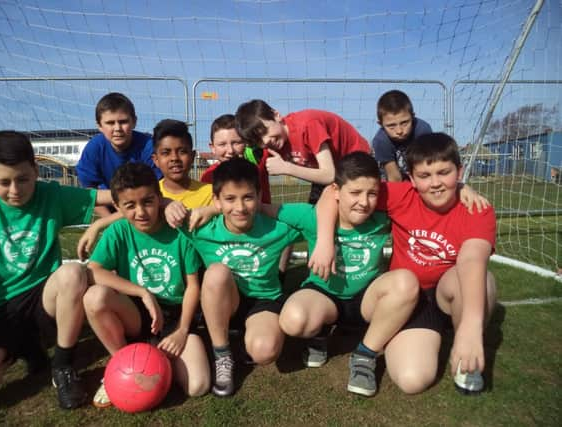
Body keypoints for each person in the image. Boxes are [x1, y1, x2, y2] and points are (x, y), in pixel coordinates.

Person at [312, 133, 496, 395]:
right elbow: (334, 193)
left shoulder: (477, 208)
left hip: (447, 292)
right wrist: (324, 242)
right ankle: (398, 341)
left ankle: (465, 348)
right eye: (424, 176)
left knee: (483, 281)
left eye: (444, 172)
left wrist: (471, 327)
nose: (435, 184)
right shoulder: (400, 195)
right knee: (412, 380)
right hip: (409, 298)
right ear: (411, 178)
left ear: (459, 171)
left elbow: (472, 259)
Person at [0, 131, 114, 418]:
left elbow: (123, 196)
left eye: (23, 179)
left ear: (36, 171)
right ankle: (27, 352)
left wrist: (168, 200)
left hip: (45, 303)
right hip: (2, 312)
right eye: (4, 182)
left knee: (71, 273)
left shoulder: (52, 194)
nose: (15, 189)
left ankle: (63, 365)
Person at [274, 151, 418, 397]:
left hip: (366, 300)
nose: (364, 202)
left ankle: (365, 355)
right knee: (293, 319)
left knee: (405, 282)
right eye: (355, 193)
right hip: (324, 295)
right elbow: (258, 208)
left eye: (371, 194)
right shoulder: (312, 216)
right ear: (336, 192)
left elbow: (426, 200)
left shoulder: (384, 218)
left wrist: (461, 188)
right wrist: (212, 210)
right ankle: (318, 334)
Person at [83, 162, 210, 407]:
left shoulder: (180, 232)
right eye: (130, 206)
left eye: (147, 202)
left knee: (198, 385)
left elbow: (193, 286)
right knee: (94, 297)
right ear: (118, 207)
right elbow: (94, 271)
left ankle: (153, 358)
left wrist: (182, 331)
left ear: (160, 198)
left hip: (174, 317)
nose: (140, 212)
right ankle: (121, 365)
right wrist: (142, 292)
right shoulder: (118, 231)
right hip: (137, 313)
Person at [179, 157, 301, 397]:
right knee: (216, 272)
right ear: (216, 200)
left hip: (263, 301)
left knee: (265, 351)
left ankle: (246, 339)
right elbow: (148, 213)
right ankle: (222, 353)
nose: (240, 207)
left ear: (259, 195)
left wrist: (269, 209)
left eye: (248, 197)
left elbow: (315, 218)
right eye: (230, 199)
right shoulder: (199, 228)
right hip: (225, 300)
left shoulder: (278, 227)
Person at [77, 119, 212, 260]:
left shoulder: (210, 193)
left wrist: (213, 209)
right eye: (166, 153)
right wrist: (98, 225)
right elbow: (129, 213)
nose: (174, 158)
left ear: (192, 156)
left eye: (182, 151)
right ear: (155, 160)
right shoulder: (147, 191)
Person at [235, 99, 371, 204]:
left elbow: (329, 175)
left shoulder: (307, 125)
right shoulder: (273, 144)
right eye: (258, 141)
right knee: (316, 215)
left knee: (350, 212)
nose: (265, 142)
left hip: (357, 161)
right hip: (326, 169)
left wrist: (286, 168)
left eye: (264, 131)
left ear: (277, 115)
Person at [76, 92, 162, 217]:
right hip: (110, 207)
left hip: (145, 206)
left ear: (134, 122)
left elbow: (160, 186)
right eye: (110, 123)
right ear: (99, 126)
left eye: (123, 122)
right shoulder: (94, 148)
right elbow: (90, 191)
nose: (117, 128)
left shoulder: (148, 146)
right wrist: (111, 221)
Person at [201, 114, 272, 204]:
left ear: (245, 142)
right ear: (212, 148)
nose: (230, 150)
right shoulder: (208, 176)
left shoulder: (259, 162)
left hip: (263, 217)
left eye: (236, 143)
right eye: (222, 144)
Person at [372, 90, 433, 182]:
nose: (399, 131)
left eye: (404, 123)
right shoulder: (381, 141)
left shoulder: (423, 131)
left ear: (413, 117)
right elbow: (394, 177)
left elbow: (428, 167)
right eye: (391, 126)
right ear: (380, 124)